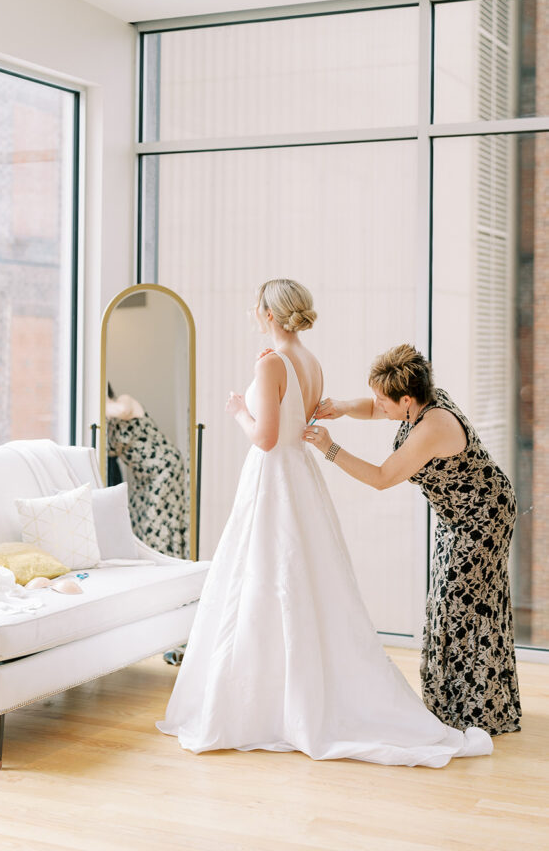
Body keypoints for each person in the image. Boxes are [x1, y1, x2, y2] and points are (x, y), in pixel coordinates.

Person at [157, 280, 493, 766]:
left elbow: (266, 439)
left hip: (274, 478)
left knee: (264, 581)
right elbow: (306, 415)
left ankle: (264, 705)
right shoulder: (309, 361)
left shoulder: (272, 363)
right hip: (301, 478)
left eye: (256, 307)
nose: (253, 313)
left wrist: (238, 411)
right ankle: (289, 698)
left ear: (268, 314)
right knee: (297, 584)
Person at [303, 343, 521, 736]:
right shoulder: (419, 403)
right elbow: (376, 410)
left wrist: (329, 448)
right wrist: (343, 407)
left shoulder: (433, 426)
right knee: (454, 602)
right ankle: (454, 705)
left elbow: (382, 477)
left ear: (406, 399)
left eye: (382, 399)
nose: (377, 405)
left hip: (483, 516)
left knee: (461, 606)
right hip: (455, 515)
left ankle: (476, 711)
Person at [106, 388, 189, 559]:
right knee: (141, 523)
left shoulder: (124, 400)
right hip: (142, 477)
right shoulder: (107, 422)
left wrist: (100, 403)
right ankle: (154, 564)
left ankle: (164, 564)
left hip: (163, 467)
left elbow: (122, 411)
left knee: (157, 520)